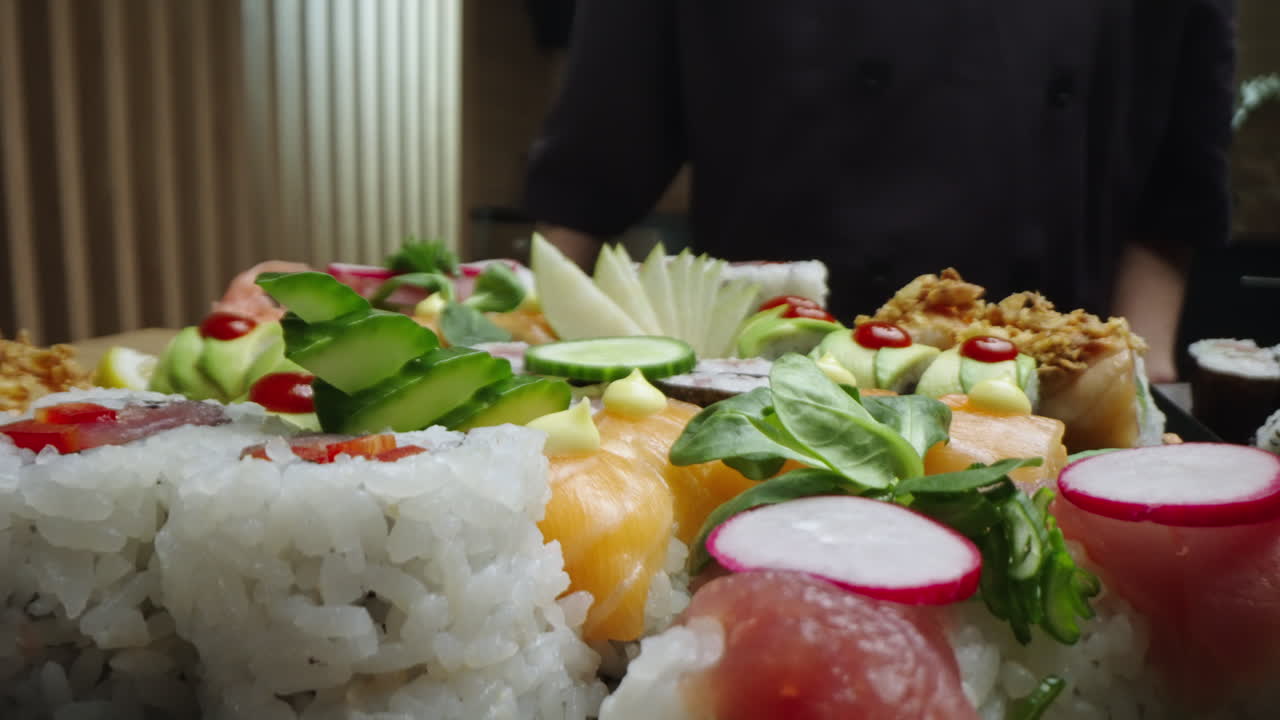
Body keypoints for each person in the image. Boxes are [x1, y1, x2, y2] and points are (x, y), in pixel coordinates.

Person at [522, 1, 1238, 383]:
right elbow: (598, 150)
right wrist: (520, 336)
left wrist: (1139, 379)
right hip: (764, 385)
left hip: (1048, 382)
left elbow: (1179, 172)